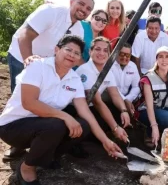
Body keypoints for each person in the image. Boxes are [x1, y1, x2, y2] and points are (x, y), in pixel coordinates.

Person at [0, 35, 123, 185]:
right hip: (13, 127)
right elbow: (29, 103)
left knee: (83, 125)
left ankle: (46, 156)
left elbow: (86, 112)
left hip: (43, 126)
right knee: (56, 124)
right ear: (57, 49)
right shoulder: (38, 66)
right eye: (68, 50)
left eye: (76, 53)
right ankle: (27, 167)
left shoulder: (74, 79)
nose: (72, 55)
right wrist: (64, 116)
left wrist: (106, 140)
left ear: (79, 58)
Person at [5, 0, 95, 160]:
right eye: (81, 4)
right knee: (23, 100)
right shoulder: (51, 11)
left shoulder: (78, 30)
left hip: (46, 66)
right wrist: (28, 62)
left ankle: (35, 140)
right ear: (71, 1)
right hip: (22, 55)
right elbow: (26, 34)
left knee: (41, 102)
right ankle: (15, 144)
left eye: (88, 8)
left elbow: (77, 59)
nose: (84, 9)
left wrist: (91, 78)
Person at [76, 37, 131, 138]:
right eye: (97, 49)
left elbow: (115, 94)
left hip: (91, 107)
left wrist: (124, 111)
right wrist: (115, 127)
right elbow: (97, 102)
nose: (101, 53)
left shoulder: (107, 70)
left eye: (105, 50)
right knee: (89, 124)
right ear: (90, 51)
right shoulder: (85, 70)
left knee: (120, 111)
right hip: (76, 110)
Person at [137, 46, 168, 147]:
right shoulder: (148, 78)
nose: (164, 60)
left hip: (164, 109)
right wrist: (154, 126)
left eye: (167, 57)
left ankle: (164, 134)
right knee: (167, 118)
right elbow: (149, 106)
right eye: (161, 57)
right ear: (156, 59)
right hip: (146, 112)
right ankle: (149, 130)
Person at [110, 43, 140, 116]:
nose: (124, 58)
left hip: (128, 99)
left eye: (127, 55)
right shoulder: (109, 65)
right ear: (116, 53)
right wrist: (125, 100)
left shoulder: (133, 65)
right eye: (122, 54)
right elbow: (112, 88)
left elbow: (137, 86)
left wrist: (128, 99)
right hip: (111, 99)